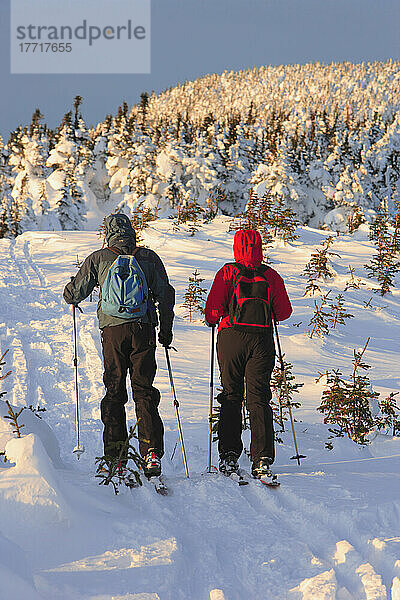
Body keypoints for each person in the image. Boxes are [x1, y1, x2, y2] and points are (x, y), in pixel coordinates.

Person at [63, 213, 175, 477]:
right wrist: (165, 331)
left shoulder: (99, 258)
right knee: (144, 390)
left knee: (114, 389)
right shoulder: (148, 258)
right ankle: (150, 453)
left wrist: (71, 288)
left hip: (113, 332)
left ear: (108, 234)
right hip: (143, 329)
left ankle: (115, 455)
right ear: (132, 232)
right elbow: (166, 295)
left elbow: (73, 294)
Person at [205, 229, 292, 478]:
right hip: (262, 341)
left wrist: (215, 317)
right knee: (259, 397)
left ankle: (229, 455)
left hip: (231, 337)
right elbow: (284, 312)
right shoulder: (270, 275)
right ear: (260, 248)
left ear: (236, 247)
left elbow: (212, 310)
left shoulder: (228, 272)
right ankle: (262, 457)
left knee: (231, 394)